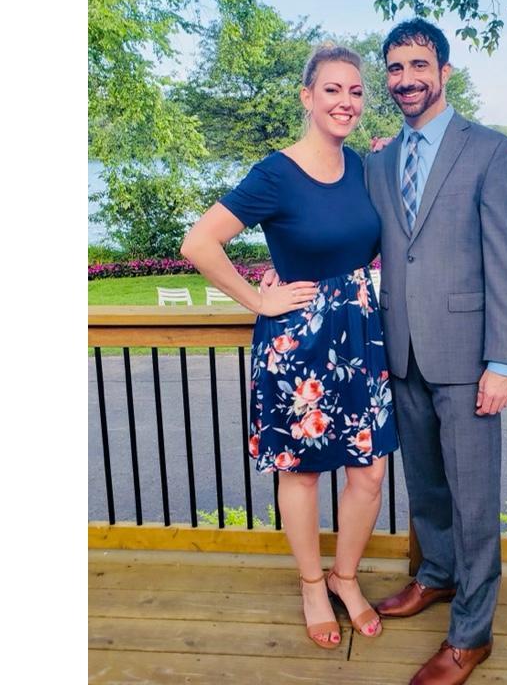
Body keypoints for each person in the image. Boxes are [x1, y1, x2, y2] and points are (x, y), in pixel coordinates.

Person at [180, 44, 398, 650]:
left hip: (359, 332)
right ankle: (311, 585)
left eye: (355, 91)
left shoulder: (361, 168)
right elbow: (199, 243)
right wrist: (258, 299)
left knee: (370, 471)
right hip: (297, 339)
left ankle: (345, 577)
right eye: (332, 90)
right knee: (300, 474)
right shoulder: (275, 173)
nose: (346, 102)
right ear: (307, 97)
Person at [366, 19, 507, 685]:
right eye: (394, 67)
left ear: (444, 72)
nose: (405, 79)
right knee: (427, 487)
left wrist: (502, 362)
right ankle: (435, 575)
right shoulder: (378, 162)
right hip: (401, 351)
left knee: (473, 502)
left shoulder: (489, 150)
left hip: (468, 359)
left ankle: (471, 635)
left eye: (418, 66)